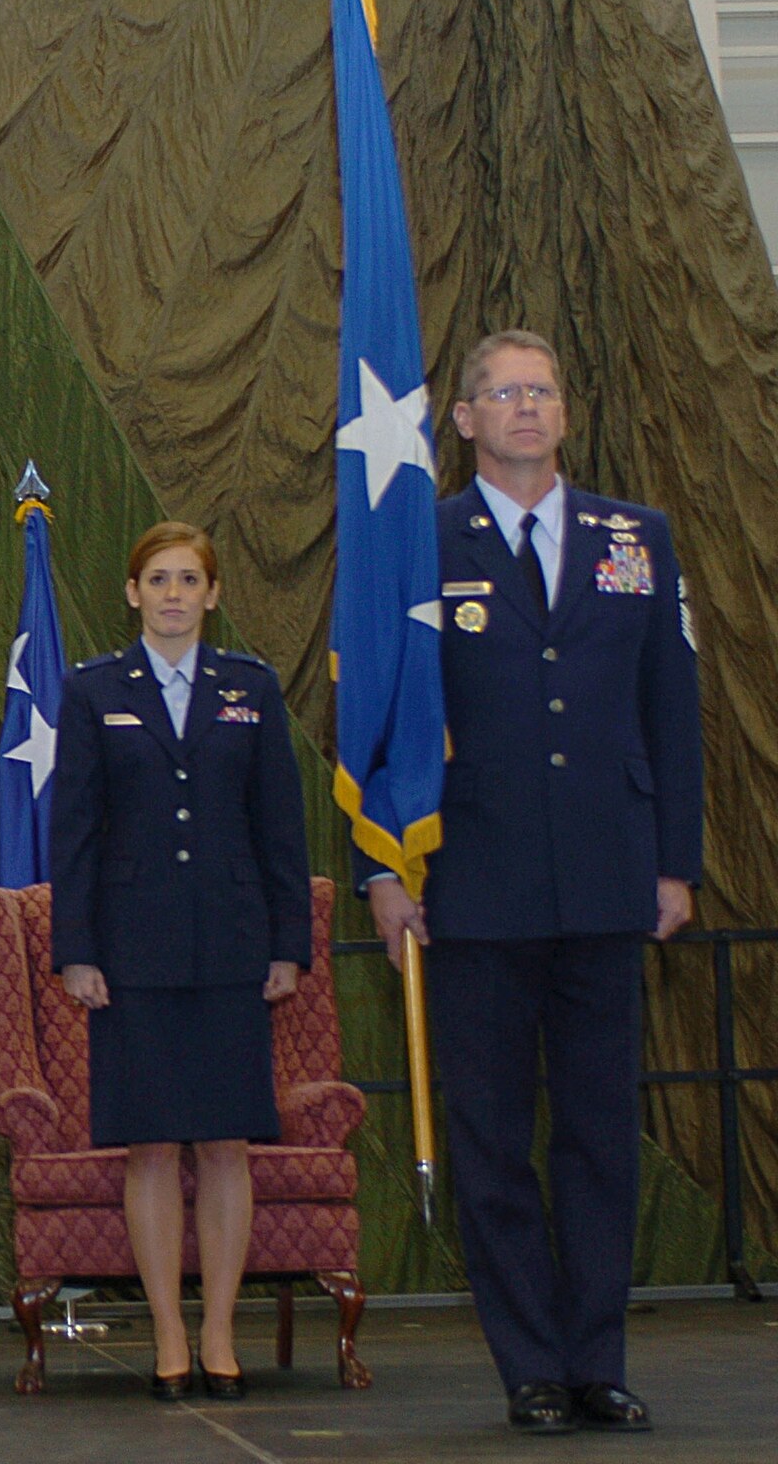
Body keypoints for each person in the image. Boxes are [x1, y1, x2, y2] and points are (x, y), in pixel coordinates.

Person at [366, 331, 700, 1434]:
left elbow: (670, 709)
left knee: (601, 1136)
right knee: (493, 1140)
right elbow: (377, 711)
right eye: (501, 393)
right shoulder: (419, 542)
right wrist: (382, 864)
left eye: (541, 391)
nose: (524, 408)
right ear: (460, 420)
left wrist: (672, 862)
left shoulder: (633, 538)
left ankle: (596, 1357)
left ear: (564, 410)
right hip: (471, 884)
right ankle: (529, 1368)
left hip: (608, 879)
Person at [49, 521, 312, 1400]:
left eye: (188, 580)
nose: (172, 594)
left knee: (228, 1143)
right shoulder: (92, 691)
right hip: (133, 950)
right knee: (153, 1147)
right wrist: (76, 950)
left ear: (213, 594)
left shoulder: (252, 688)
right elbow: (75, 833)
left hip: (234, 945)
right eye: (156, 579)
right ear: (132, 593)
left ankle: (221, 1333)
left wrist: (288, 944)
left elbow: (281, 827)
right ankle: (166, 1336)